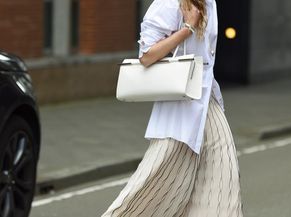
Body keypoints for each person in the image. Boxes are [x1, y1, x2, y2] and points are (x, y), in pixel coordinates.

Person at [100, 0, 244, 216]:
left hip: (207, 101)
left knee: (223, 179)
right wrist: (187, 29)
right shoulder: (169, 3)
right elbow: (146, 56)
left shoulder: (210, 3)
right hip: (181, 106)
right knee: (158, 183)